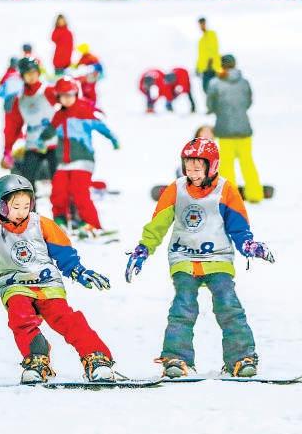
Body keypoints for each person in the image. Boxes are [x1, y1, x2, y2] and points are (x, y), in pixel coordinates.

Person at [0, 175, 115, 384]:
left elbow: (63, 252)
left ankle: (96, 357)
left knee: (65, 318)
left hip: (48, 285)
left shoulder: (42, 224)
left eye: (26, 205)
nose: (22, 211)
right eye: (16, 206)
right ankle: (36, 360)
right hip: (15, 286)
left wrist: (77, 271)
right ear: (1, 206)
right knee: (20, 319)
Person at [125, 138, 275, 378]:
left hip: (217, 258)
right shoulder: (176, 189)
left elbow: (238, 226)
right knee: (182, 307)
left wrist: (248, 245)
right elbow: (158, 224)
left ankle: (241, 358)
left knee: (229, 306)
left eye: (197, 168)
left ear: (212, 166)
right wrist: (144, 248)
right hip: (184, 257)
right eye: (188, 167)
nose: (192, 173)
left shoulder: (226, 190)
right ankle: (177, 358)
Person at [39, 77, 119, 235]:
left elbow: (100, 125)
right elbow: (50, 130)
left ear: (76, 94)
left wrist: (113, 139)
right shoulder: (58, 115)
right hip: (63, 161)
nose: (67, 99)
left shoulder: (84, 109)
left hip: (82, 159)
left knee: (79, 192)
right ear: (58, 97)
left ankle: (91, 223)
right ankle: (60, 220)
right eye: (63, 96)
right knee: (58, 190)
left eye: (70, 95)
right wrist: (42, 139)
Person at [207, 54, 264, 203]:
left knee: (227, 166)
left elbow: (210, 105)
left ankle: (230, 198)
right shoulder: (244, 82)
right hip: (244, 129)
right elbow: (248, 102)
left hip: (225, 131)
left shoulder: (215, 83)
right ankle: (255, 194)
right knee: (247, 163)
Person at [2, 57, 58, 188]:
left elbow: (66, 109)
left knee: (59, 179)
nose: (31, 76)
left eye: (34, 73)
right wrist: (8, 149)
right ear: (22, 76)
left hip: (54, 143)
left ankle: (66, 208)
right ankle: (30, 208)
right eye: (28, 74)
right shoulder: (19, 99)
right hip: (32, 144)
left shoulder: (49, 90)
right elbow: (13, 126)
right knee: (27, 180)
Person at [197, 17, 222, 93]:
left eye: (203, 24)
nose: (202, 26)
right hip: (204, 69)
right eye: (200, 24)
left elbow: (214, 48)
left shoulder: (211, 34)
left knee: (214, 88)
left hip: (212, 67)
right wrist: (198, 67)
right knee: (206, 89)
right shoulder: (201, 40)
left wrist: (210, 61)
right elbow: (201, 55)